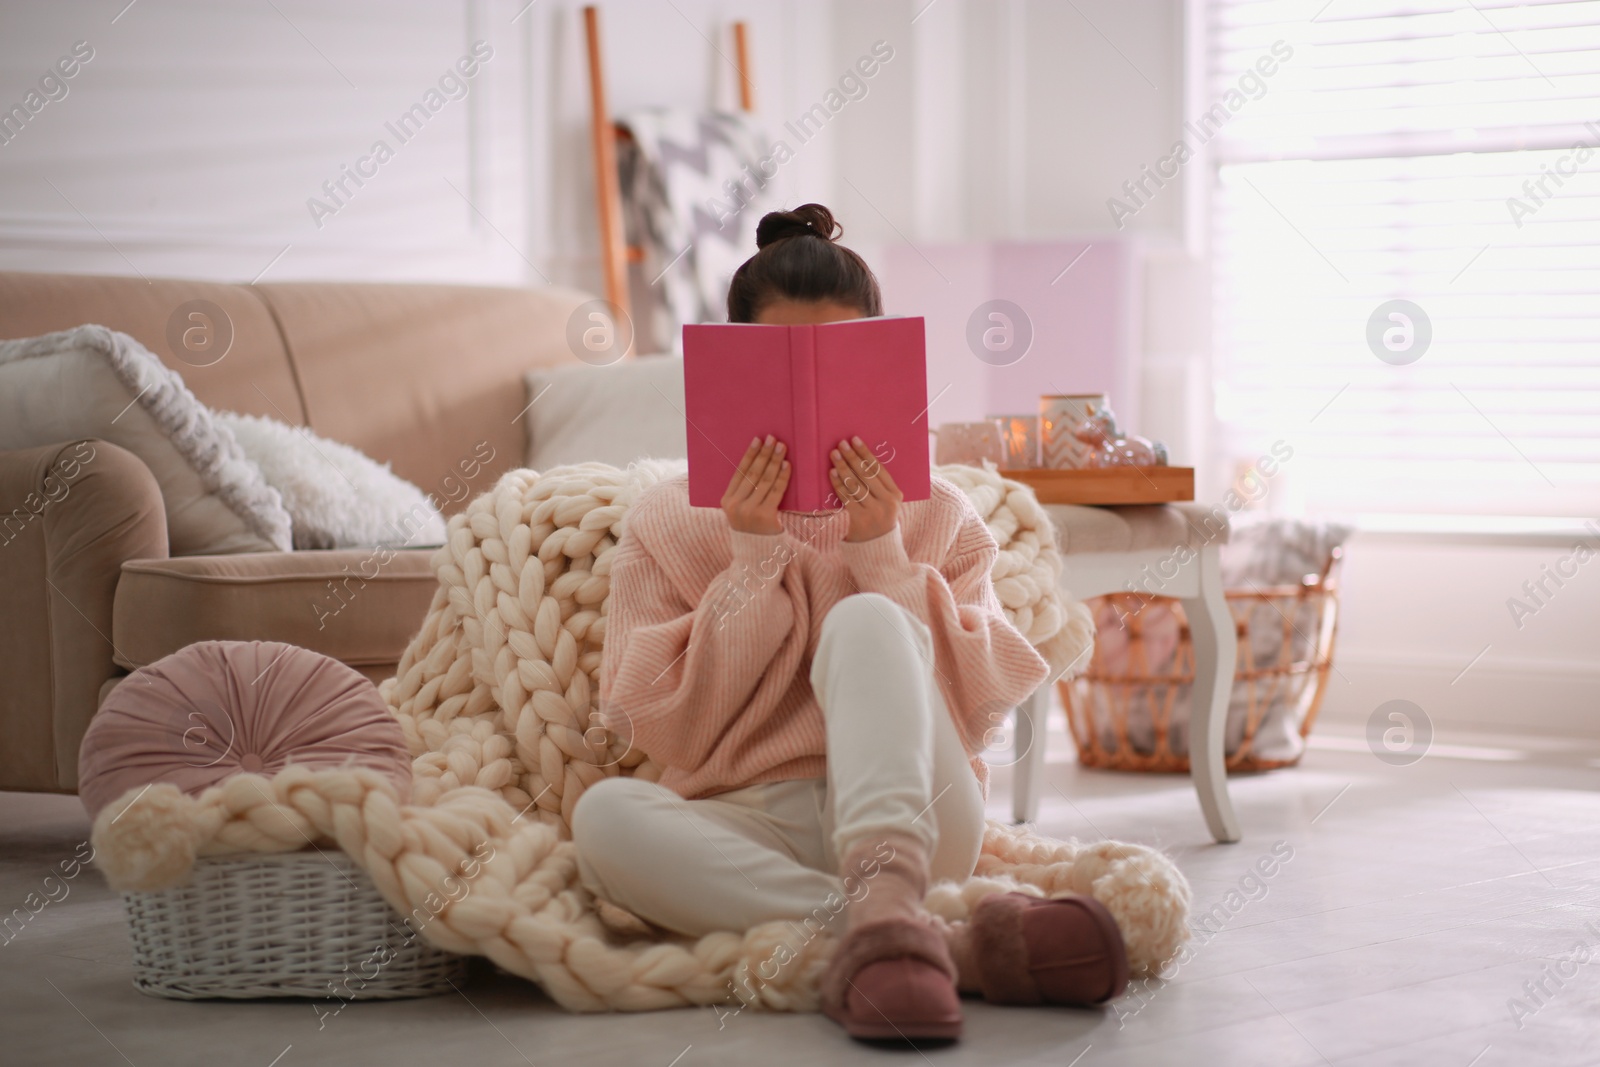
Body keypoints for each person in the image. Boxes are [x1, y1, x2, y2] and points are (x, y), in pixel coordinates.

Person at [571, 204, 1128, 1043]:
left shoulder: (941, 510)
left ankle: (890, 909)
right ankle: (943, 943)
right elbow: (664, 722)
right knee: (604, 820)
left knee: (869, 619)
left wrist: (883, 558)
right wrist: (751, 560)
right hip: (758, 823)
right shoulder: (668, 519)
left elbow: (977, 708)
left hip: (922, 816)